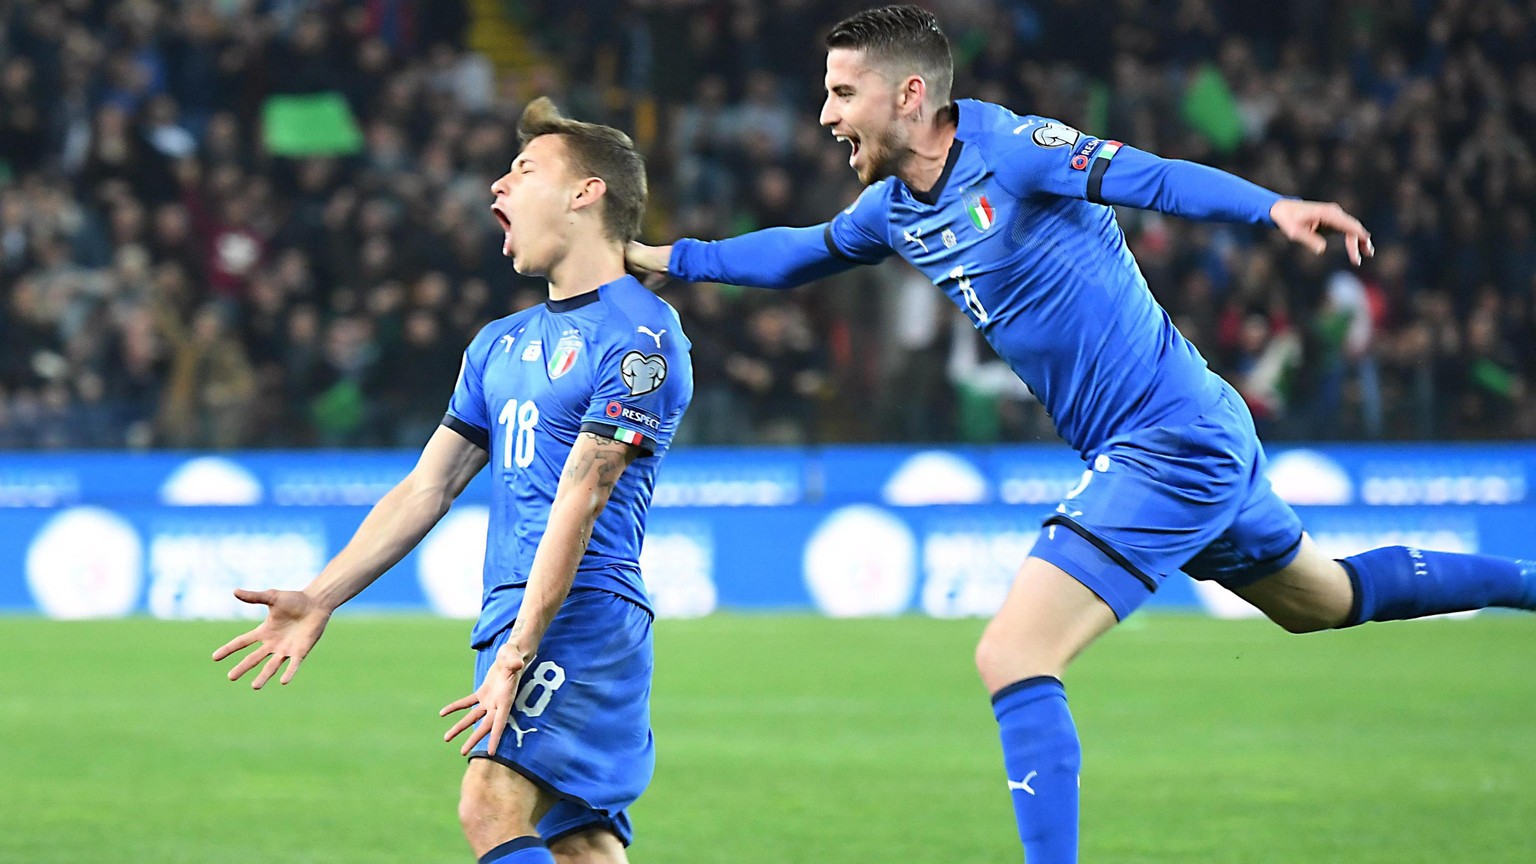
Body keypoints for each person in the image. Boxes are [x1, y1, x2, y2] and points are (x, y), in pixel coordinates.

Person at [624, 6, 1536, 862]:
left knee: (1013, 653)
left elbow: (1152, 177)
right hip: (1184, 432)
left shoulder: (1013, 149)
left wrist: (1271, 209)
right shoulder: (893, 210)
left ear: (910, 94)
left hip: (1167, 438)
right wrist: (665, 260)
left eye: (841, 92)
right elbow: (798, 253)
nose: (824, 114)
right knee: (1324, 601)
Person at [214, 97, 693, 864]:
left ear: (587, 193)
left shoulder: (640, 335)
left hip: (577, 612)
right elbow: (425, 488)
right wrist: (320, 596)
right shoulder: (499, 344)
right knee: (581, 845)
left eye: (524, 170)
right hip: (517, 614)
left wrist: (517, 651)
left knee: (489, 805)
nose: (498, 187)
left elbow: (584, 493)